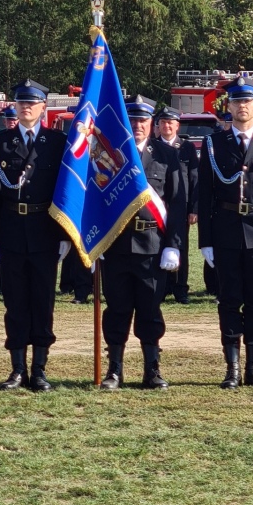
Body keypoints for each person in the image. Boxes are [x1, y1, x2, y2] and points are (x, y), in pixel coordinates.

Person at [198, 76, 253, 389]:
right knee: (228, 300)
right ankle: (232, 368)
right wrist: (206, 240)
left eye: (247, 101)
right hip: (225, 231)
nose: (242, 106)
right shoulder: (214, 144)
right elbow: (205, 194)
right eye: (236, 101)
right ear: (230, 106)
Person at [0, 79, 70, 392]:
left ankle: (40, 370)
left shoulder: (57, 142)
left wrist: (64, 235)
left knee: (43, 301)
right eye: (22, 103)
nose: (27, 108)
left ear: (43, 107)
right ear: (16, 107)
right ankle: (17, 369)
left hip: (46, 231)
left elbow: (64, 191)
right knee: (15, 302)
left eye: (32, 103)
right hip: (11, 231)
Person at [100, 96, 186, 390]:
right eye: (133, 120)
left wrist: (173, 244)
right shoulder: (110, 155)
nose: (137, 125)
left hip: (152, 244)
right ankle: (114, 371)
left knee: (150, 310)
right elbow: (96, 199)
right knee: (117, 309)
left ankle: (152, 370)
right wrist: (96, 241)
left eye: (143, 121)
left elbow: (177, 203)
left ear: (152, 123)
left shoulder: (165, 155)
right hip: (116, 244)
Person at [154, 107, 199, 304]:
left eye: (170, 122)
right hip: (158, 205)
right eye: (163, 122)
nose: (167, 126)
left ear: (177, 126)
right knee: (158, 245)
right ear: (158, 125)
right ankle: (162, 288)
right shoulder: (152, 147)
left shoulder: (187, 148)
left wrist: (193, 209)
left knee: (180, 246)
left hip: (181, 206)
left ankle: (181, 289)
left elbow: (194, 179)